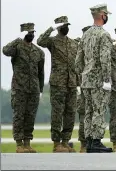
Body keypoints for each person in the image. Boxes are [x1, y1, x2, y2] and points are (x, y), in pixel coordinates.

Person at [75, 3, 113, 153]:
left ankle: (89, 140)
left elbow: (78, 60)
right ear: (102, 15)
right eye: (106, 15)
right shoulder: (104, 35)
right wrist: (106, 79)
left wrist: (82, 75)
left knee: (89, 111)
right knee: (99, 110)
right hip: (98, 80)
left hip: (86, 80)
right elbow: (105, 59)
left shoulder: (86, 34)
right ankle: (96, 140)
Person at [37, 16, 78, 153]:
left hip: (71, 83)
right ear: (59, 27)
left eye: (67, 25)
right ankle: (56, 143)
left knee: (70, 113)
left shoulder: (73, 43)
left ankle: (66, 141)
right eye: (64, 25)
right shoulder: (53, 42)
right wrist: (51, 29)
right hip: (58, 83)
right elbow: (40, 41)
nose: (66, 28)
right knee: (57, 113)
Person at [2, 23, 45, 153]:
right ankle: (19, 144)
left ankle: (27, 143)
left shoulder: (39, 52)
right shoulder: (17, 48)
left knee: (30, 117)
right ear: (23, 34)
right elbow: (5, 50)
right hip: (19, 88)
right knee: (19, 116)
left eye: (32, 32)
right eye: (28, 32)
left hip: (34, 90)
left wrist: (41, 89)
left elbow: (41, 72)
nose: (31, 35)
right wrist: (17, 39)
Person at [75, 26, 92, 153]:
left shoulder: (93, 47)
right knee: (83, 116)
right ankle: (83, 144)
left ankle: (92, 141)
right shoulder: (78, 45)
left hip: (93, 86)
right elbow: (77, 66)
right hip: (82, 86)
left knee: (93, 115)